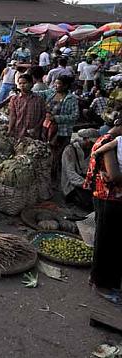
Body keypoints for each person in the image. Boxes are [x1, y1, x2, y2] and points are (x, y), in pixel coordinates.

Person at [82, 116, 122, 306]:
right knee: (107, 242)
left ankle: (100, 279)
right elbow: (113, 175)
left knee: (108, 240)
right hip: (109, 198)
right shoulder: (109, 142)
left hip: (108, 198)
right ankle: (101, 284)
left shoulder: (107, 140)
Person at [36, 75, 79, 181]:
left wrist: (56, 118)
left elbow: (75, 116)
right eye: (55, 83)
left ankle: (56, 177)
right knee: (47, 153)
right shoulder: (51, 93)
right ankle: (48, 175)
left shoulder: (71, 98)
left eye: (59, 83)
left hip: (62, 132)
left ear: (66, 86)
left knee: (58, 155)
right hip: (47, 128)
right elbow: (38, 94)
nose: (56, 85)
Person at [61, 128, 98, 211]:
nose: (92, 145)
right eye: (91, 142)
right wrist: (88, 185)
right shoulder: (70, 150)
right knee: (90, 205)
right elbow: (71, 175)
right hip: (71, 186)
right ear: (84, 139)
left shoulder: (91, 150)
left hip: (84, 182)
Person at [7, 74, 46, 139]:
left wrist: (36, 128)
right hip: (18, 132)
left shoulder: (38, 99)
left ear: (31, 84)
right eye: (20, 83)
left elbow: (43, 116)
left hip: (33, 133)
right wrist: (10, 130)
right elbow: (12, 116)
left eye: (24, 83)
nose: (22, 85)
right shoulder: (15, 99)